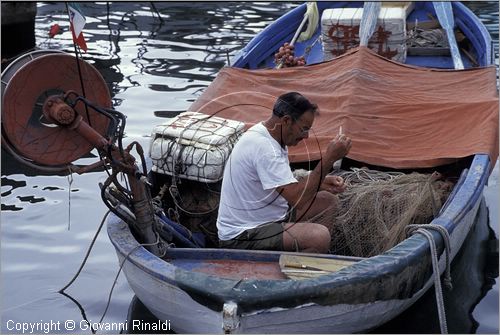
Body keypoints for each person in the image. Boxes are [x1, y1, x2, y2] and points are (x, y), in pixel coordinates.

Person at [217, 92, 352, 253]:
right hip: (243, 235)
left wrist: (320, 182)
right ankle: (298, 273)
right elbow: (298, 199)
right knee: (319, 236)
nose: (306, 136)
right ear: (286, 121)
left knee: (328, 202)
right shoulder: (265, 148)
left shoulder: (272, 135)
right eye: (303, 129)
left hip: (270, 217)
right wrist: (329, 159)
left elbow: (284, 185)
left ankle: (306, 257)